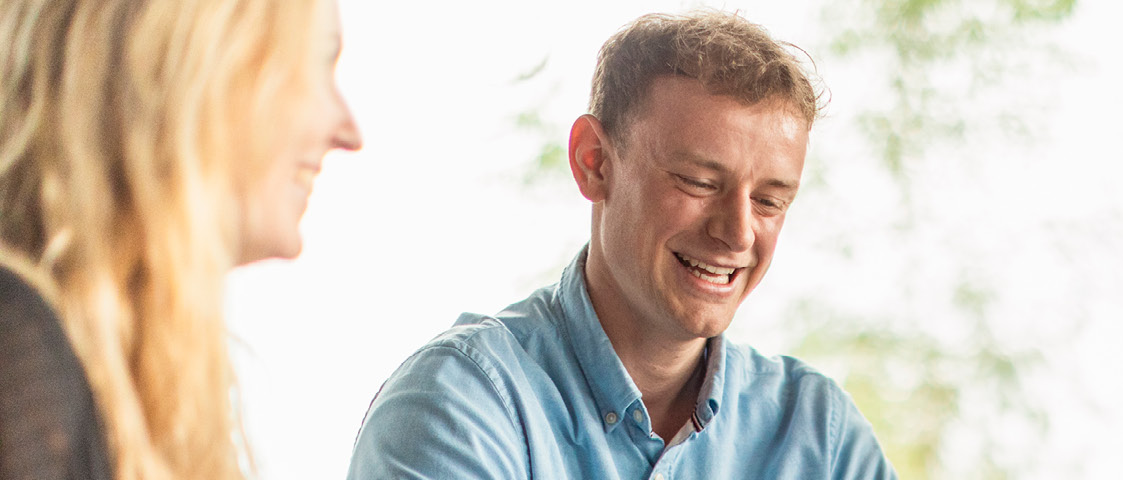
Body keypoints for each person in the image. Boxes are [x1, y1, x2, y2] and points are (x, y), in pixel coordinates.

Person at [345, 10, 896, 479]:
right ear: (595, 162)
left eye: (770, 201)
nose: (738, 233)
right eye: (700, 183)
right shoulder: (460, 405)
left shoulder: (821, 439)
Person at [0, 0, 363, 478]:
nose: (350, 132)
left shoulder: (119, 367)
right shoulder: (21, 353)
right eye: (318, 62)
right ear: (197, 64)